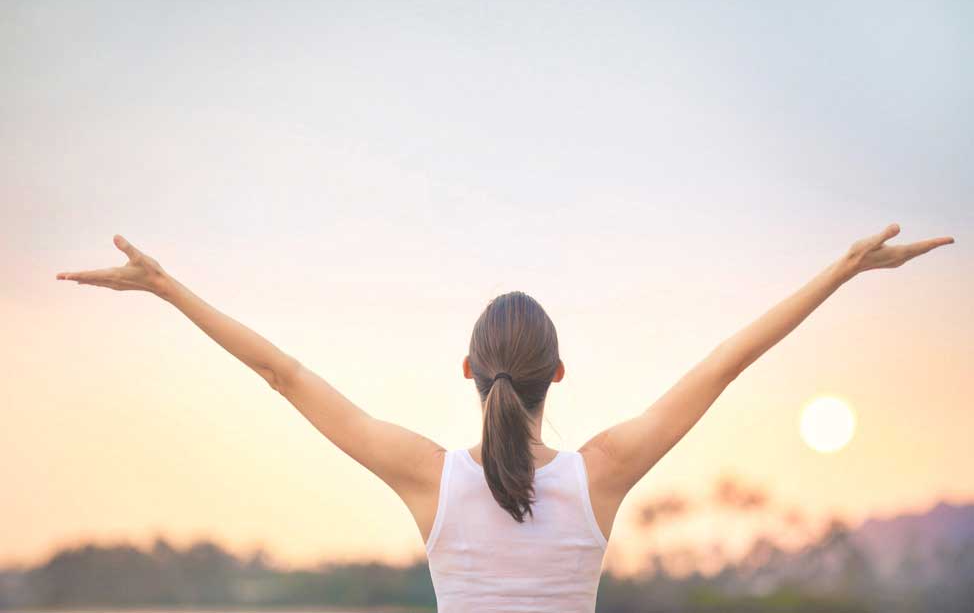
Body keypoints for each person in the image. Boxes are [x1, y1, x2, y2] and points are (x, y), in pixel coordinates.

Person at [56, 223, 954, 612]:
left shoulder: (426, 478)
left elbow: (283, 374)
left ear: (466, 371)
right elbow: (725, 363)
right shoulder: (601, 471)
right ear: (559, 373)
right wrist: (840, 272)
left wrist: (168, 287)